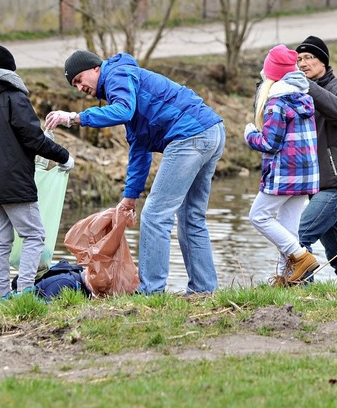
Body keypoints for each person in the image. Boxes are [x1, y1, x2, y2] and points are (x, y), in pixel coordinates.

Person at [46, 50, 225, 294]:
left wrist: (75, 117)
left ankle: (150, 291)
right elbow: (140, 149)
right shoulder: (126, 88)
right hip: (211, 131)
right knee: (191, 218)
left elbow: (123, 111)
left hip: (190, 135)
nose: (79, 88)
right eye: (74, 85)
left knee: (154, 215)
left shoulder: (116, 74)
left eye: (79, 79)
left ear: (96, 68)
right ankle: (204, 291)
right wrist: (129, 198)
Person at [0, 44, 75, 299]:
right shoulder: (14, 97)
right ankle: (25, 293)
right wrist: (64, 156)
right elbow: (34, 139)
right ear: (10, 70)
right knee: (34, 235)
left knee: (0, 241)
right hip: (15, 180)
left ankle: (2, 296)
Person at [244, 45, 320, 285]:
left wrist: (250, 135)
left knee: (258, 216)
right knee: (288, 228)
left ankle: (301, 256)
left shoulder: (276, 102)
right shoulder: (304, 98)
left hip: (285, 172)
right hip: (306, 173)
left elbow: (270, 143)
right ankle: (286, 279)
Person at [294, 36, 337, 284]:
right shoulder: (299, 92)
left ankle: (301, 293)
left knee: (299, 237)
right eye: (299, 59)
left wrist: (308, 87)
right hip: (315, 183)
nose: (303, 63)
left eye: (309, 57)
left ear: (323, 61)